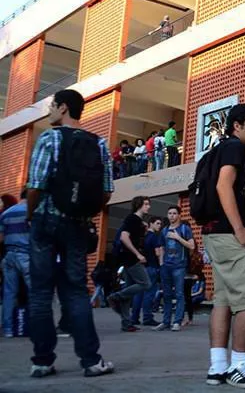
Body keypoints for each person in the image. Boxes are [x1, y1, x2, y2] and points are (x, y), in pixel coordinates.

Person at [26, 89, 114, 377]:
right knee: (76, 293)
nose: (50, 111)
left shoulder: (49, 138)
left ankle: (42, 360)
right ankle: (91, 360)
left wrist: (31, 215)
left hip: (46, 221)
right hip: (77, 224)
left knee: (40, 293)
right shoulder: (98, 143)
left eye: (52, 106)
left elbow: (36, 184)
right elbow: (107, 191)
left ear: (63, 108)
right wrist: (86, 213)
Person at [202, 103, 245, 388]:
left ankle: (217, 366)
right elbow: (223, 186)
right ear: (236, 126)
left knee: (224, 300)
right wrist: (240, 229)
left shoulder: (218, 149)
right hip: (231, 235)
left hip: (215, 234)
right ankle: (239, 365)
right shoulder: (233, 148)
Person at [108, 197, 153, 332]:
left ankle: (126, 323)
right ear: (138, 205)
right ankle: (115, 297)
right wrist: (137, 254)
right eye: (146, 204)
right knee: (145, 283)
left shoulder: (138, 221)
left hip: (127, 257)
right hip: (131, 258)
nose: (148, 207)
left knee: (129, 290)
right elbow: (124, 236)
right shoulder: (132, 219)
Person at [156, 206, 194, 332]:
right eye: (170, 213)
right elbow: (161, 247)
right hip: (166, 266)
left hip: (179, 265)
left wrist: (178, 238)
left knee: (179, 294)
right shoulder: (164, 230)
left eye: (174, 213)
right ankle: (166, 321)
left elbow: (192, 246)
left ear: (179, 215)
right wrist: (161, 263)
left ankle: (177, 321)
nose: (172, 215)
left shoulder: (185, 229)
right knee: (166, 295)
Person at [1, 190, 30, 338]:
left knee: (9, 293)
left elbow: (1, 237)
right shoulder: (32, 212)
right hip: (27, 255)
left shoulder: (6, 213)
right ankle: (35, 327)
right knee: (36, 292)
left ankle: (8, 329)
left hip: (9, 255)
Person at [130, 216, 163, 327]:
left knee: (139, 293)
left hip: (142, 267)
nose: (159, 226)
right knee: (149, 293)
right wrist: (161, 265)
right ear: (151, 224)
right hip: (152, 267)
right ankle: (147, 317)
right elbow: (158, 253)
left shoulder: (143, 237)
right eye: (157, 223)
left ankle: (134, 317)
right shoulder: (154, 237)